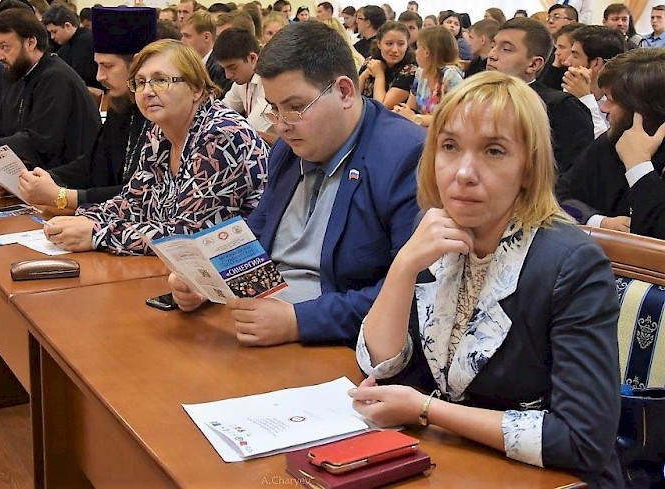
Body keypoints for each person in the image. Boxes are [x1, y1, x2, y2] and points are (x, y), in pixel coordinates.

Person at [349, 71, 622, 488]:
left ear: (528, 168)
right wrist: (403, 267)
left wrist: (426, 410)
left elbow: (582, 440)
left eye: (494, 151)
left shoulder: (573, 264)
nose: (463, 172)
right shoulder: (433, 228)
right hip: (451, 463)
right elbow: (381, 367)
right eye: (450, 146)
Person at [170, 21, 426, 348]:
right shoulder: (288, 149)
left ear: (344, 92)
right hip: (259, 325)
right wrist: (207, 279)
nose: (281, 125)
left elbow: (414, 291)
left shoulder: (405, 157)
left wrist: (299, 321)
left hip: (334, 345)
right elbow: (257, 233)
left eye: (295, 107)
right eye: (274, 109)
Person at [42, 39, 269, 254]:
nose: (148, 91)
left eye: (160, 80)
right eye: (140, 82)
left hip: (238, 270)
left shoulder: (222, 135)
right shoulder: (159, 131)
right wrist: (84, 219)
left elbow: (192, 236)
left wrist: (97, 233)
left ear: (196, 88)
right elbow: (134, 202)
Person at [17, 7, 157, 210]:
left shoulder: (163, 115)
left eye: (107, 66)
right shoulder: (121, 103)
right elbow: (93, 164)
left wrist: (63, 196)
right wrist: (35, 180)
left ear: (137, 64)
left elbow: (144, 194)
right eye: (97, 65)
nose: (99, 76)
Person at [0, 7, 101, 169]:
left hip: (66, 176)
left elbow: (37, 143)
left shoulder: (55, 78)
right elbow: (2, 119)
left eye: (5, 47)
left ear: (31, 43)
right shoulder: (16, 70)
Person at [557, 48, 665, 239]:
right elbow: (559, 196)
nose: (604, 109)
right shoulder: (611, 140)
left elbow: (657, 230)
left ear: (643, 111)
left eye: (612, 101)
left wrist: (639, 166)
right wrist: (600, 222)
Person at [486, 17, 593, 175]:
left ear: (533, 64)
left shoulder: (560, 107)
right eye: (493, 46)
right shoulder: (475, 100)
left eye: (506, 49)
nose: (491, 55)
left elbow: (568, 174)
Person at [562, 25, 626, 138]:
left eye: (575, 56)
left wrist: (585, 99)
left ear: (596, 63)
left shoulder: (623, 102)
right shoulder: (569, 91)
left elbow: (603, 144)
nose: (567, 62)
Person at [215, 27, 277, 145]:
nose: (227, 75)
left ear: (252, 58)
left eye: (232, 67)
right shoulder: (242, 80)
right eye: (224, 69)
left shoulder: (270, 80)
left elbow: (247, 131)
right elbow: (219, 113)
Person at [394, 26, 463, 126]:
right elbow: (410, 107)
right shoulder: (420, 72)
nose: (415, 52)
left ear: (427, 52)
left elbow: (451, 118)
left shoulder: (450, 76)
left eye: (418, 47)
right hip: (420, 129)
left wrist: (414, 118)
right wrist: (401, 112)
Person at [359, 21, 416, 106]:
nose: (395, 50)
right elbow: (352, 97)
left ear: (407, 45)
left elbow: (381, 107)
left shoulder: (410, 70)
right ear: (379, 43)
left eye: (401, 44)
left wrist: (379, 75)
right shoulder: (371, 61)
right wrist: (364, 75)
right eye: (389, 44)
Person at [41, 4, 99, 88]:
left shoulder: (85, 42)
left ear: (67, 26)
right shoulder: (68, 43)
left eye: (54, 32)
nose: (52, 37)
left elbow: (80, 78)